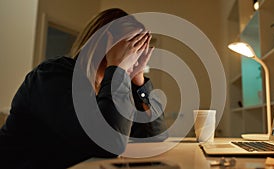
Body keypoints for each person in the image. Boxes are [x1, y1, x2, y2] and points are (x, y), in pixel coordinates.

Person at [0, 8, 168, 168]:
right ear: (104, 41)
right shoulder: (53, 76)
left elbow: (156, 135)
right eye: (132, 45)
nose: (135, 54)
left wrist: (138, 80)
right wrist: (118, 69)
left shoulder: (111, 88)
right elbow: (109, 145)